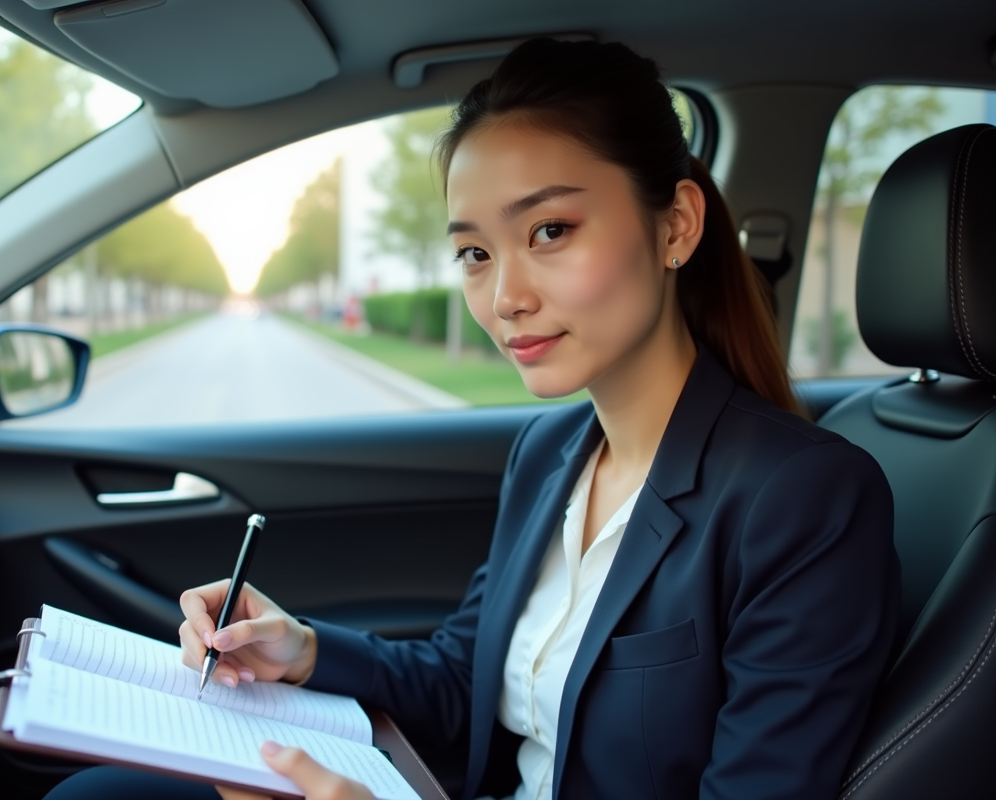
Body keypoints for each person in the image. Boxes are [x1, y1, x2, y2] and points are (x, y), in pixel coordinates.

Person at [45, 38, 899, 800]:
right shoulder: (552, 451)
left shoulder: (803, 498)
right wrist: (300, 649)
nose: (505, 297)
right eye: (475, 253)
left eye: (552, 230)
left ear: (675, 225)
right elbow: (468, 678)